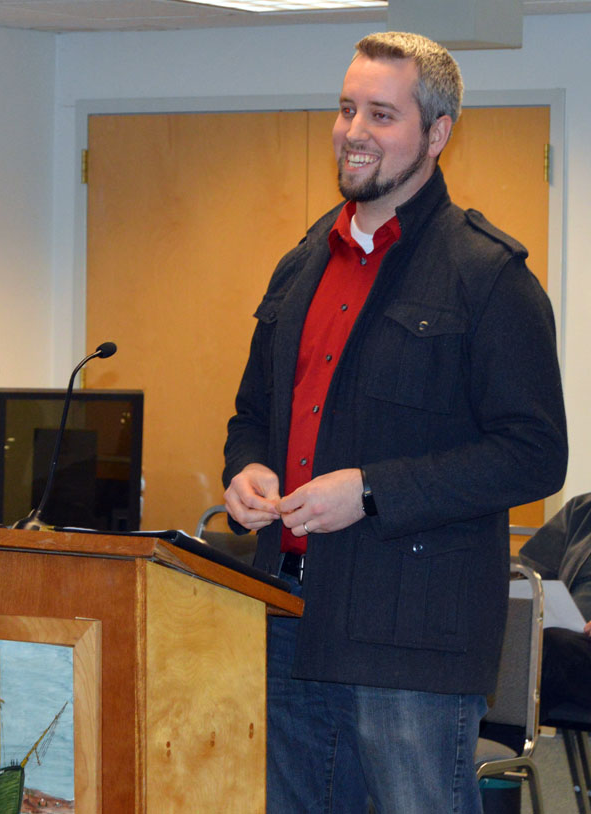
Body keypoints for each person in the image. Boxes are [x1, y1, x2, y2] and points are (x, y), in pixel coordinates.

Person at [222, 31, 568, 813]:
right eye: (347, 109)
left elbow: (536, 454)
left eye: (382, 114)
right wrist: (245, 469)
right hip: (287, 619)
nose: (353, 131)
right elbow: (251, 414)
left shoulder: (489, 277)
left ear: (438, 133)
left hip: (412, 644)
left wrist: (372, 492)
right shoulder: (304, 261)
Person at [518, 494, 591, 713]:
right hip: (567, 640)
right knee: (508, 641)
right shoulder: (581, 510)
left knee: (547, 647)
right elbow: (530, 574)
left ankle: (499, 741)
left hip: (565, 647)